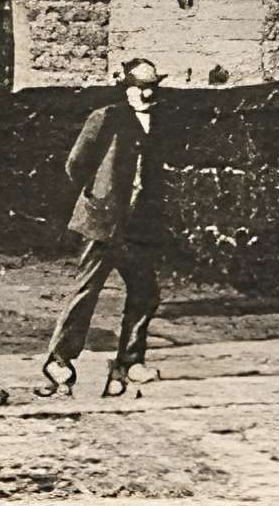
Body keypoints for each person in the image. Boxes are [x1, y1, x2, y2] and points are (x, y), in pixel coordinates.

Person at [41, 57, 167, 396]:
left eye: (153, 86)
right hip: (103, 221)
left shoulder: (159, 122)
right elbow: (75, 164)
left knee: (145, 292)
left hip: (137, 225)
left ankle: (130, 362)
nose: (148, 93)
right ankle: (59, 359)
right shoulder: (105, 118)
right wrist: (98, 197)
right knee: (87, 290)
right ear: (126, 87)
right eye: (141, 86)